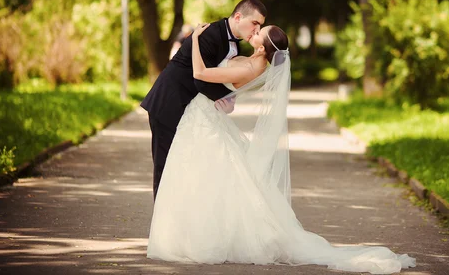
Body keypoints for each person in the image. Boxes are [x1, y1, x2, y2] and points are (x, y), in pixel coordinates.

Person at [146, 23, 417, 274]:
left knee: (209, 178)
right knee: (209, 179)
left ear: (262, 48)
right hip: (203, 119)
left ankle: (204, 236)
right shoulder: (250, 60)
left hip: (204, 121)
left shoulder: (251, 68)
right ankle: (194, 230)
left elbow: (201, 73)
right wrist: (227, 98)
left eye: (257, 32)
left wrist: (193, 39)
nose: (253, 32)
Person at [140, 0, 267, 199]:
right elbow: (200, 79)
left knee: (184, 167)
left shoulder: (236, 46)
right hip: (168, 103)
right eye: (255, 23)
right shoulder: (209, 34)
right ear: (238, 16)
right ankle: (162, 225)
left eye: (260, 26)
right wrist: (226, 99)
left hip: (191, 110)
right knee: (164, 166)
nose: (257, 30)